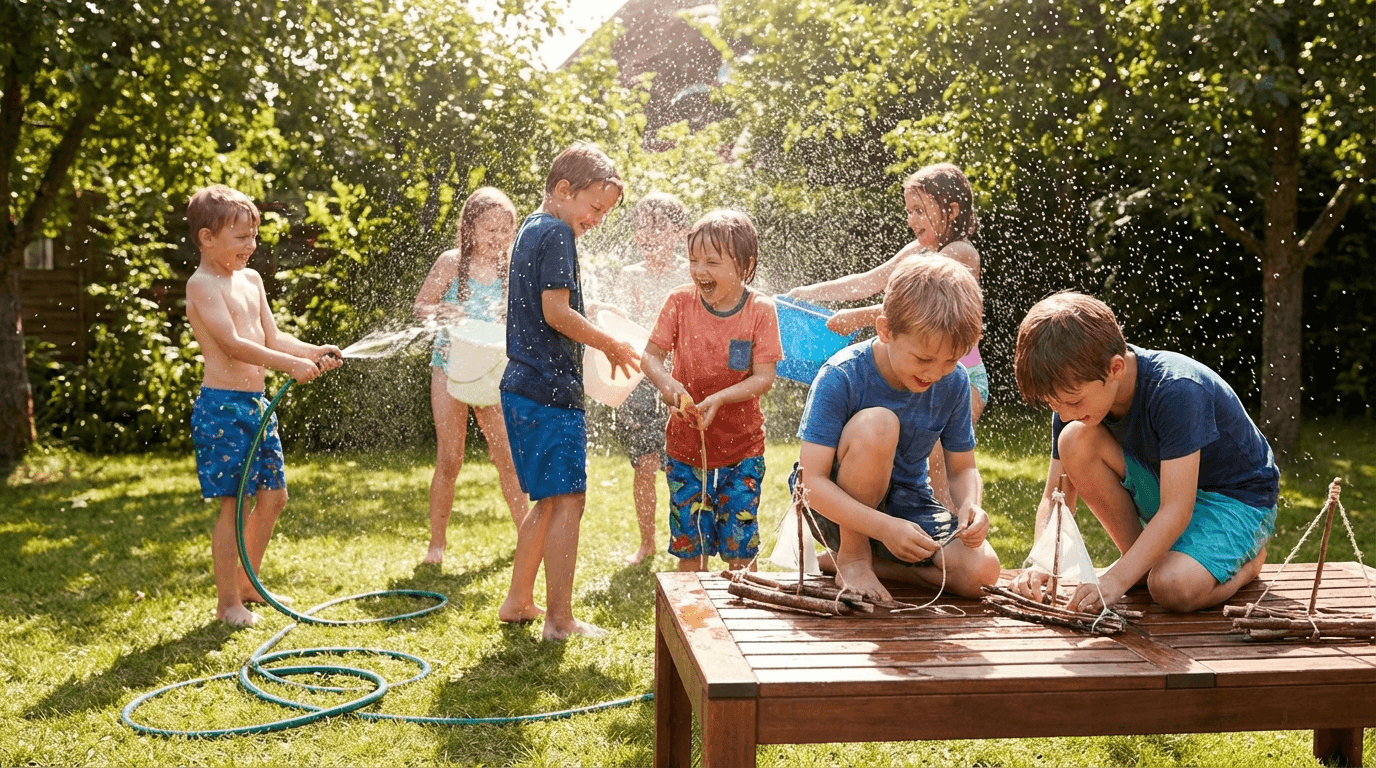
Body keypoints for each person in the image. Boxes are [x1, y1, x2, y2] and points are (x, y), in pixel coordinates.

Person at [1010, 293, 1279, 613]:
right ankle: (1137, 563)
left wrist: (1114, 580)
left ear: (1115, 368)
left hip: (1236, 500)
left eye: (1073, 402)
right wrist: (1043, 562)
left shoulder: (1177, 389)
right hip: (1169, 488)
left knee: (1170, 587)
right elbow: (1055, 496)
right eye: (1054, 405)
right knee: (1074, 440)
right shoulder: (1073, 402)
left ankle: (1248, 566)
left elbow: (1177, 509)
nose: (1064, 414)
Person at [793, 256, 1000, 601]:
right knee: (879, 424)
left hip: (908, 506)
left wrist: (970, 505)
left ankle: (879, 566)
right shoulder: (842, 375)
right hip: (835, 509)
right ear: (886, 330)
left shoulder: (955, 383)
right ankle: (855, 557)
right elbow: (810, 482)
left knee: (983, 575)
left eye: (951, 360)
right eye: (923, 359)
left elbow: (963, 467)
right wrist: (882, 527)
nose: (935, 373)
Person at [496, 142, 639, 640]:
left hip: (523, 385)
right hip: (548, 389)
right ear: (563, 190)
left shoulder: (533, 230)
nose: (598, 219)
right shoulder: (557, 233)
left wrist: (592, 312)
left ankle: (518, 601)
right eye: (595, 207)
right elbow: (556, 314)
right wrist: (610, 344)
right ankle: (558, 620)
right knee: (569, 500)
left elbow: (551, 307)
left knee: (551, 500)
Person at [183, 185, 344, 627]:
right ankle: (228, 602)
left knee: (273, 498)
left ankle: (248, 582)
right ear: (206, 239)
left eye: (254, 236)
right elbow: (233, 346)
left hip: (257, 405)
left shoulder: (250, 280)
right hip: (223, 409)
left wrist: (310, 351)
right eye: (240, 238)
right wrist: (291, 365)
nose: (250, 246)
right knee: (233, 504)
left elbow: (271, 339)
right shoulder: (202, 286)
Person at [788, 163, 986, 511]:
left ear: (952, 210)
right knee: (908, 452)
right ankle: (886, 526)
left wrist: (857, 318)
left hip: (961, 370)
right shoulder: (917, 252)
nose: (913, 219)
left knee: (939, 452)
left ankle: (952, 523)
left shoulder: (960, 253)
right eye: (910, 211)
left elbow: (915, 314)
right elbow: (868, 281)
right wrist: (811, 293)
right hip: (920, 360)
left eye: (922, 210)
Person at [641, 209, 782, 572]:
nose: (700, 270)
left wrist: (720, 398)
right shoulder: (679, 302)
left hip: (742, 451)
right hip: (686, 451)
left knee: (739, 550)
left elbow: (764, 377)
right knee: (691, 550)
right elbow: (651, 358)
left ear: (745, 265)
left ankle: (743, 621)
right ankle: (693, 623)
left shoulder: (760, 310)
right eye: (693, 260)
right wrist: (668, 385)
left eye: (712, 262)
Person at [413, 187, 530, 566]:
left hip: (492, 371)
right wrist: (442, 312)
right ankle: (436, 545)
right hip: (449, 367)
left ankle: (525, 537)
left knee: (507, 458)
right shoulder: (452, 262)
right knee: (450, 458)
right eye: (490, 229)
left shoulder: (511, 266)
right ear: (470, 228)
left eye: (505, 229)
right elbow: (421, 307)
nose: (498, 238)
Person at [606, 192, 690, 564]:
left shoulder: (689, 272)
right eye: (642, 224)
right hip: (642, 381)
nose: (648, 231)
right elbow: (626, 323)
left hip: (683, 377)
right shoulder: (630, 275)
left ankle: (686, 537)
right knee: (645, 463)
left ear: (679, 232)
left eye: (658, 224)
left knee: (682, 463)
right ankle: (647, 542)